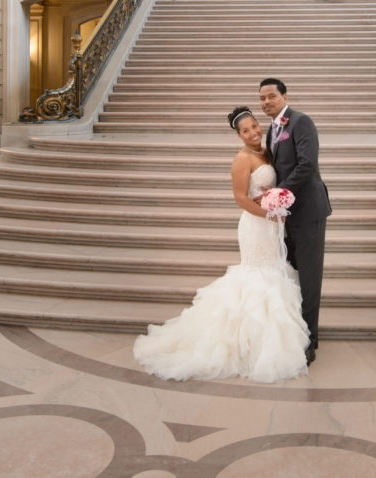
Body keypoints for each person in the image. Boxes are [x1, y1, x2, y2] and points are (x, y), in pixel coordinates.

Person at [132, 106, 309, 383]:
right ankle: (249, 344)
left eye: (254, 126)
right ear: (238, 135)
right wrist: (268, 215)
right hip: (255, 225)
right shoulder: (241, 159)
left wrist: (276, 204)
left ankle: (267, 339)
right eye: (245, 130)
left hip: (271, 224)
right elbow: (240, 197)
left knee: (274, 272)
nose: (253, 133)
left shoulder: (266, 152)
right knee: (257, 275)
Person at [260, 78, 331, 365]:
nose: (266, 102)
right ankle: (297, 329)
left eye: (271, 97)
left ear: (284, 96)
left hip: (308, 211)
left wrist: (279, 193)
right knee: (293, 276)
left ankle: (310, 341)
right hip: (288, 215)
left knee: (310, 278)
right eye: (261, 98)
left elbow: (307, 164)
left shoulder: (301, 122)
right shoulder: (272, 129)